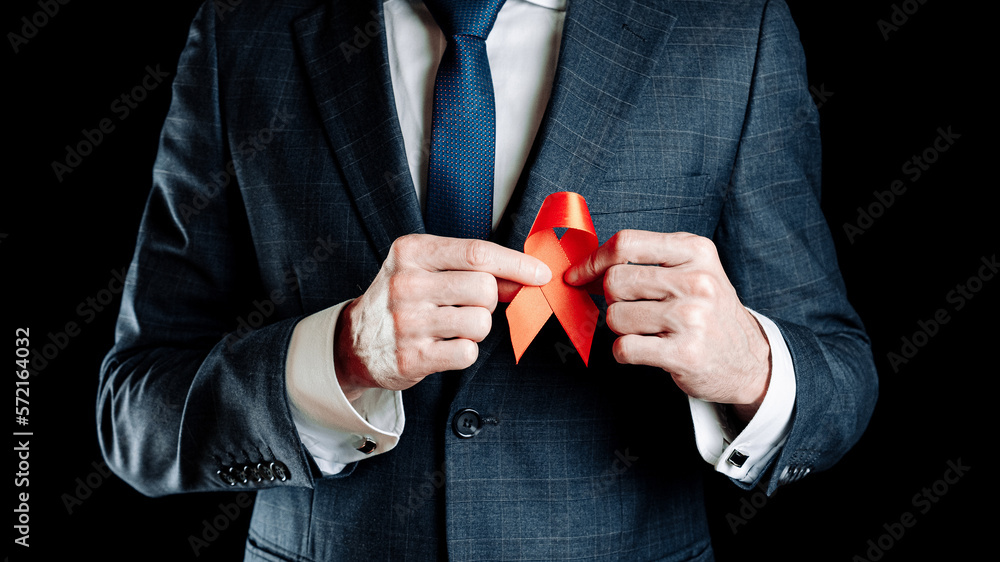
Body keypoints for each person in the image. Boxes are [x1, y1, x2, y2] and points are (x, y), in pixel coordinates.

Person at [97, 0, 878, 560]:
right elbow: (133, 412)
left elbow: (842, 378)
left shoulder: (733, 28)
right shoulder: (244, 31)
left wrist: (749, 365)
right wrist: (335, 361)